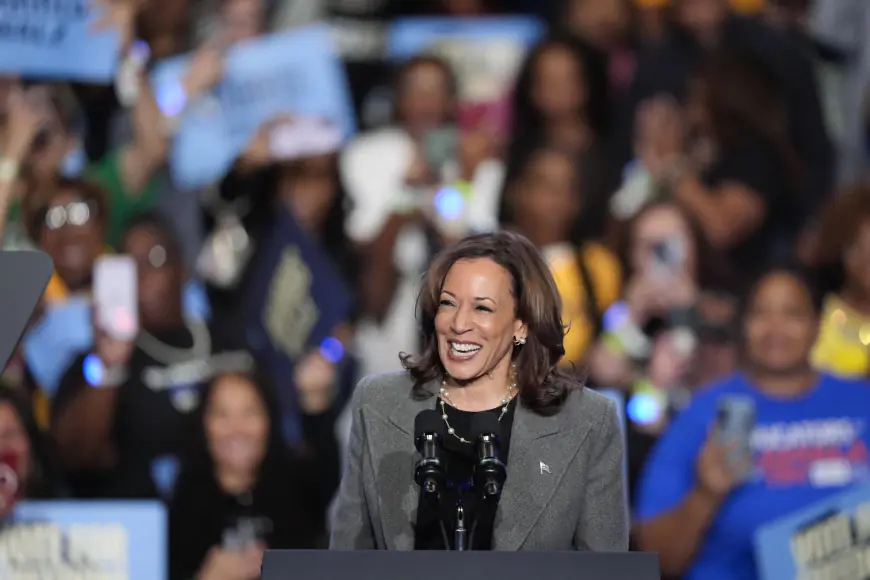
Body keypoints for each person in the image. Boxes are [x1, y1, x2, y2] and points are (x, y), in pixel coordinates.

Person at [330, 231, 628, 551]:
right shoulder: (378, 403)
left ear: (522, 323)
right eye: (448, 303)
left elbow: (604, 568)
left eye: (482, 308)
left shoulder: (587, 422)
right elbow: (348, 558)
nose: (459, 324)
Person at [635, 265, 870, 579]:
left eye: (793, 314)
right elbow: (654, 558)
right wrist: (706, 495)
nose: (776, 328)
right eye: (761, 314)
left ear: (818, 323)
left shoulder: (861, 403)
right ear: (743, 326)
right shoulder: (703, 413)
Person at [169, 369, 339, 580]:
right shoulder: (180, 506)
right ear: (203, 424)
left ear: (270, 420)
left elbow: (327, 468)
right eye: (222, 414)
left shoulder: (300, 490)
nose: (237, 428)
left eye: (250, 412)